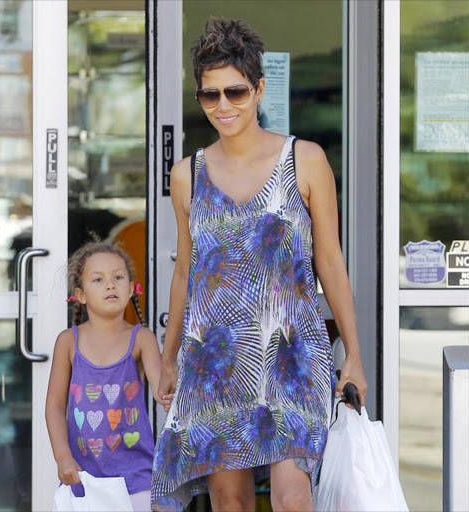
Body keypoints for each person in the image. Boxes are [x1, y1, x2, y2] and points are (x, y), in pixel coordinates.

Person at [152, 17, 367, 512]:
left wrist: (352, 352)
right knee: (230, 504)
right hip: (216, 359)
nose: (223, 106)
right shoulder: (186, 175)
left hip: (293, 354)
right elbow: (186, 270)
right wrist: (168, 357)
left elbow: (330, 263)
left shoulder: (305, 159)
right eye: (210, 95)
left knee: (294, 498)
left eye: (236, 91)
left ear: (260, 88)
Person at [45, 241, 171, 512]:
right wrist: (62, 456)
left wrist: (173, 393)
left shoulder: (142, 338)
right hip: (84, 478)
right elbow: (54, 405)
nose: (110, 285)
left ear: (131, 289)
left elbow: (164, 391)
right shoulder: (68, 342)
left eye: (118, 277)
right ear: (80, 295)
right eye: (98, 279)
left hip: (137, 479)